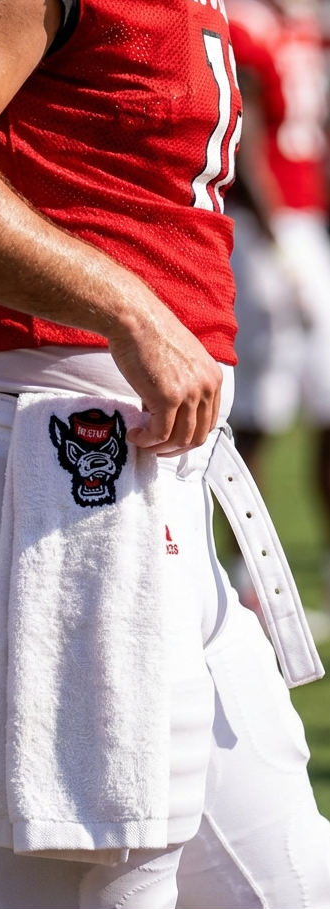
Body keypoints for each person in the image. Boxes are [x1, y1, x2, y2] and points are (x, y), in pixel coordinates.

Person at [0, 1, 330, 908]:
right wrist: (125, 306)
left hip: (141, 485)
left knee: (288, 882)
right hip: (51, 471)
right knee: (109, 877)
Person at [226, 0, 330, 635]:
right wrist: (276, 239)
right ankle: (248, 581)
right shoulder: (241, 22)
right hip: (266, 234)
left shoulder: (305, 23)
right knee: (255, 413)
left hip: (307, 227)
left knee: (326, 404)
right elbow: (246, 134)